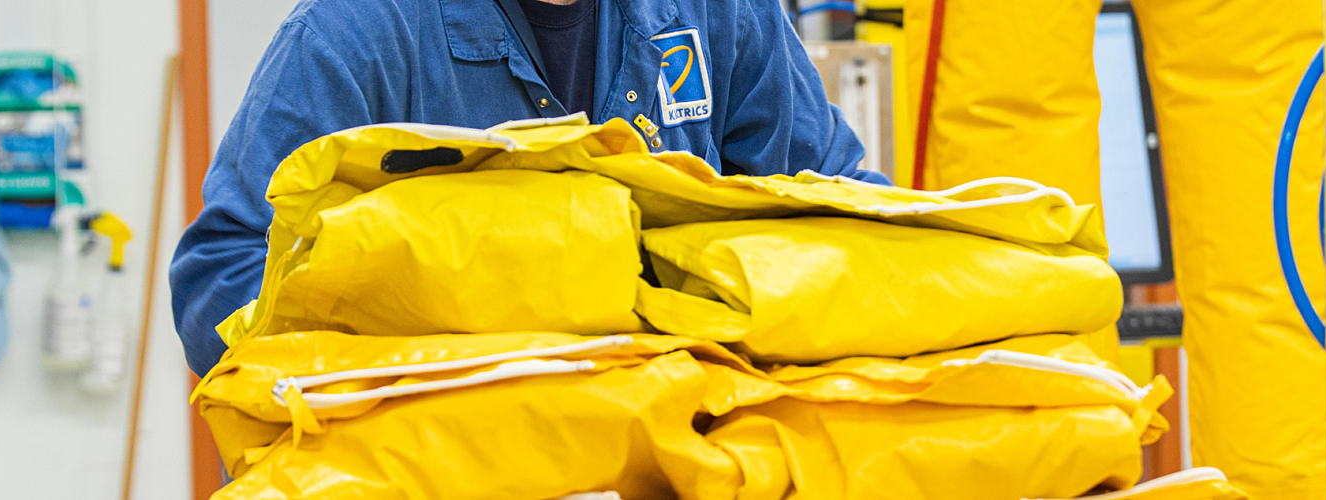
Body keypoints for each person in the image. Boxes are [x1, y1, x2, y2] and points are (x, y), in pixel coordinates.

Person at [169, 0, 887, 376]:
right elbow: (222, 274)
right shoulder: (355, 29)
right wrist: (408, 374)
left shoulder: (718, 11)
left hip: (674, 447)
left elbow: (842, 206)